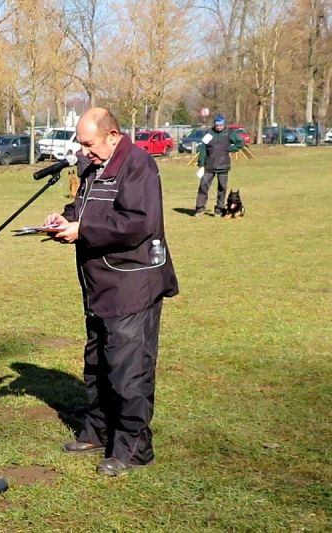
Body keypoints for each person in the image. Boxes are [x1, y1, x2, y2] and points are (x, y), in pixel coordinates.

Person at [44, 107, 179, 477]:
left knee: (128, 368)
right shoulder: (90, 166)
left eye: (89, 143)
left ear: (114, 135)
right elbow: (82, 208)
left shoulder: (139, 166)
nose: (84, 151)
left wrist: (83, 230)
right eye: (81, 144)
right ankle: (98, 431)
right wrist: (65, 220)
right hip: (99, 284)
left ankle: (133, 448)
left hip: (134, 283)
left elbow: (138, 222)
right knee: (97, 362)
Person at [194, 113, 243, 217]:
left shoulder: (229, 133)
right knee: (203, 187)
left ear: (223, 124)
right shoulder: (209, 133)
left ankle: (219, 209)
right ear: (214, 124)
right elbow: (203, 148)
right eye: (217, 125)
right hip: (209, 166)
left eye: (221, 125)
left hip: (223, 166)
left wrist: (231, 149)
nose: (219, 127)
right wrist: (201, 163)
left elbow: (240, 142)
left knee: (222, 188)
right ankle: (200, 208)